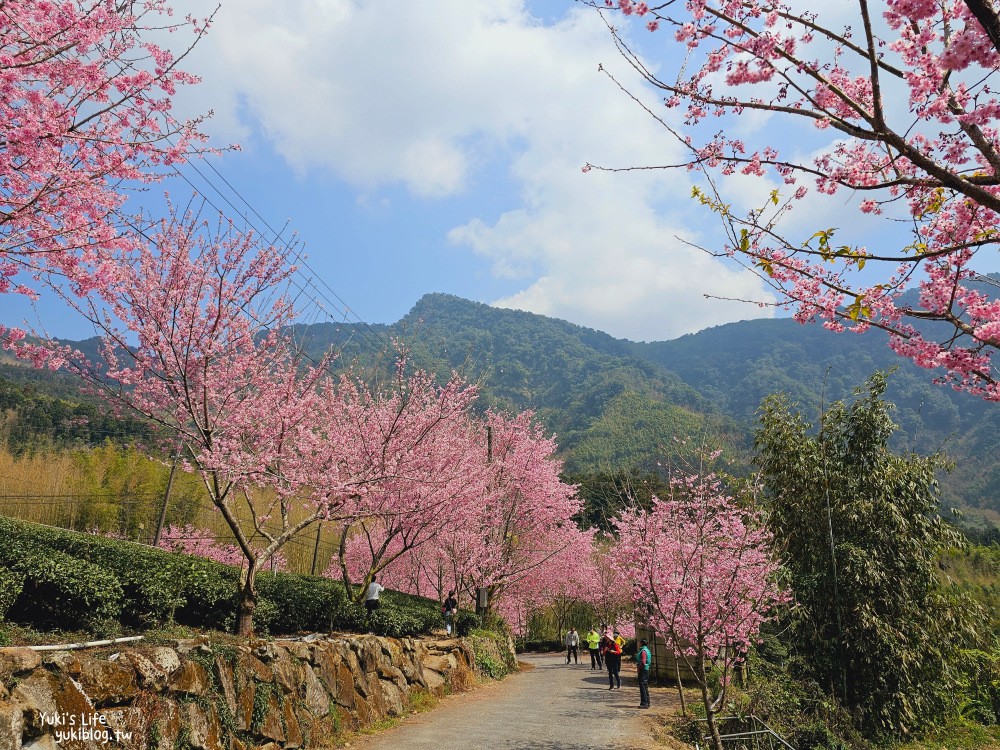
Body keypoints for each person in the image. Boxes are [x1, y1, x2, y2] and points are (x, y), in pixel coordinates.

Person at [637, 638, 652, 709]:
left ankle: (644, 703)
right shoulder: (647, 650)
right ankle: (647, 702)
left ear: (641, 643)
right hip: (646, 669)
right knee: (645, 686)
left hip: (643, 670)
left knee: (642, 686)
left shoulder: (643, 651)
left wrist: (639, 668)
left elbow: (643, 661)